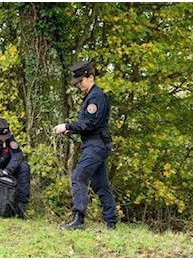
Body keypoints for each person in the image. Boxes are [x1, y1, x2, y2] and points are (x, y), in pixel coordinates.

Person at [53, 60, 117, 230]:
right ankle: (111, 221)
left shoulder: (96, 97)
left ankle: (78, 220)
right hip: (95, 144)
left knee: (78, 177)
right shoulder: (91, 96)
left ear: (90, 77)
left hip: (96, 145)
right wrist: (72, 131)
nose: (79, 85)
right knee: (100, 184)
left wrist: (67, 126)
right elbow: (87, 125)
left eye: (81, 81)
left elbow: (90, 124)